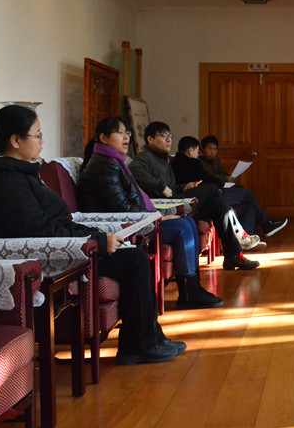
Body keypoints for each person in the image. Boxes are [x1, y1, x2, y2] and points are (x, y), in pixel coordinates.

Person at [0, 105, 183, 365]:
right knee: (134, 260)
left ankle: (150, 338)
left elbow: (54, 222)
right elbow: (37, 230)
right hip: (38, 255)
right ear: (16, 140)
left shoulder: (19, 172)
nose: (42, 141)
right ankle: (139, 345)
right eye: (37, 135)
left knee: (132, 254)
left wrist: (95, 234)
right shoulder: (4, 180)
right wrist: (96, 241)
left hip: (57, 243)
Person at [77, 118, 223, 310]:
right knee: (182, 227)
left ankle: (191, 287)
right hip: (122, 226)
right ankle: (190, 290)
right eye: (120, 132)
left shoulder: (114, 162)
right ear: (103, 138)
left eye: (127, 133)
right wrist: (157, 219)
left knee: (187, 222)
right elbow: (122, 208)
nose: (126, 137)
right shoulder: (104, 166)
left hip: (138, 218)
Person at [129, 121, 260, 271]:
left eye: (170, 136)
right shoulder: (144, 157)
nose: (169, 140)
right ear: (150, 139)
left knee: (216, 205)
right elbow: (134, 171)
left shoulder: (162, 159)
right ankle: (239, 235)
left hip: (173, 198)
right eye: (164, 136)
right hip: (164, 204)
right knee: (212, 188)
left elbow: (171, 187)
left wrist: (183, 186)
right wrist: (161, 186)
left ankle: (233, 256)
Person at [172, 136, 287, 238]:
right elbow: (208, 180)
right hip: (210, 197)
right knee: (247, 194)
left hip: (210, 194)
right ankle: (265, 225)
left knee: (248, 208)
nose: (198, 154)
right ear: (190, 151)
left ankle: (248, 237)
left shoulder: (180, 163)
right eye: (197, 151)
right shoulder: (192, 163)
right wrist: (222, 182)